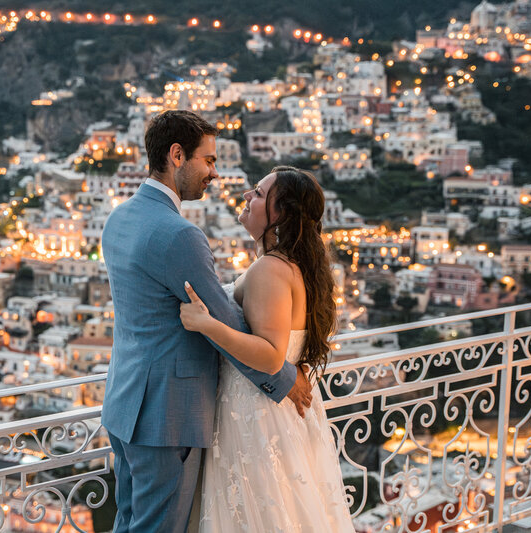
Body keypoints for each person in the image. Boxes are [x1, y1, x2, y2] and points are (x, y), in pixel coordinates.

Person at [100, 111, 314, 533]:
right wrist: (283, 375)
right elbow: (223, 318)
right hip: (167, 415)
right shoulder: (178, 234)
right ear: (177, 156)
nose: (214, 173)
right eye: (209, 160)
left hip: (123, 405)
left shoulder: (119, 218)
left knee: (127, 523)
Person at [180, 166, 356, 532]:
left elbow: (271, 354)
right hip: (275, 412)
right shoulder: (294, 267)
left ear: (281, 215)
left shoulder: (269, 269)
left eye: (259, 194)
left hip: (255, 413)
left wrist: (205, 324)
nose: (247, 196)